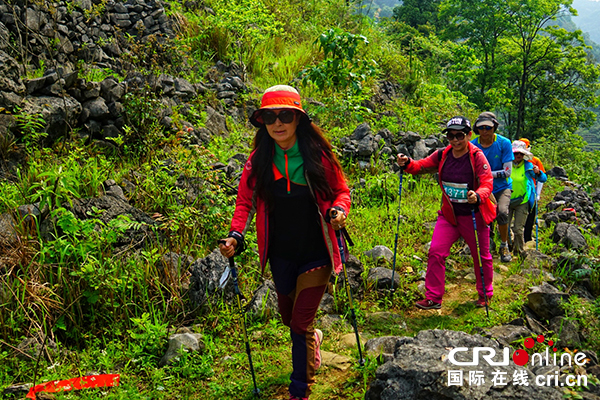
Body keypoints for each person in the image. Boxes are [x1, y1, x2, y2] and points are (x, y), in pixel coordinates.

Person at [218, 85, 350, 400]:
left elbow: (341, 191)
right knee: (289, 318)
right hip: (280, 254)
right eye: (270, 117)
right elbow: (244, 204)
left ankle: (299, 391)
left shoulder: (318, 156)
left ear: (298, 119)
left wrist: (339, 211)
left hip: (317, 251)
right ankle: (314, 340)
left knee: (299, 324)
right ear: (262, 122)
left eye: (285, 115)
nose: (278, 123)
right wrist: (236, 234)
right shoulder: (258, 160)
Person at [397, 116, 495, 310]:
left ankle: (485, 294)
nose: (455, 140)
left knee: (481, 256)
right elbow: (420, 166)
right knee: (435, 252)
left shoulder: (477, 156)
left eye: (460, 135)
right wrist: (407, 162)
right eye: (451, 136)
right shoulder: (443, 154)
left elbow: (487, 182)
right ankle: (433, 298)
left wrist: (478, 195)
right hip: (449, 216)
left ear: (468, 135)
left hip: (474, 215)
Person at [471, 112, 514, 263]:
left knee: (502, 212)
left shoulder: (504, 143)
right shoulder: (473, 145)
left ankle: (504, 245)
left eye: (488, 128)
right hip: (482, 188)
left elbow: (508, 172)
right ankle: (487, 244)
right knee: (483, 218)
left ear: (494, 128)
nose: (485, 131)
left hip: (501, 187)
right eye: (481, 128)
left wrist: (486, 174)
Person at [508, 140, 547, 257]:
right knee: (504, 226)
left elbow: (543, 178)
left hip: (523, 201)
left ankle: (519, 251)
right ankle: (508, 246)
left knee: (518, 229)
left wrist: (538, 173)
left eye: (520, 154)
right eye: (515, 154)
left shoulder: (528, 166)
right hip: (507, 200)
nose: (518, 156)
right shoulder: (506, 164)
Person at [519, 138, 546, 243]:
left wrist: (537, 193)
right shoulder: (511, 160)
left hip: (531, 192)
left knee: (530, 217)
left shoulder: (535, 161)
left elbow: (542, 178)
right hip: (517, 192)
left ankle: (527, 238)